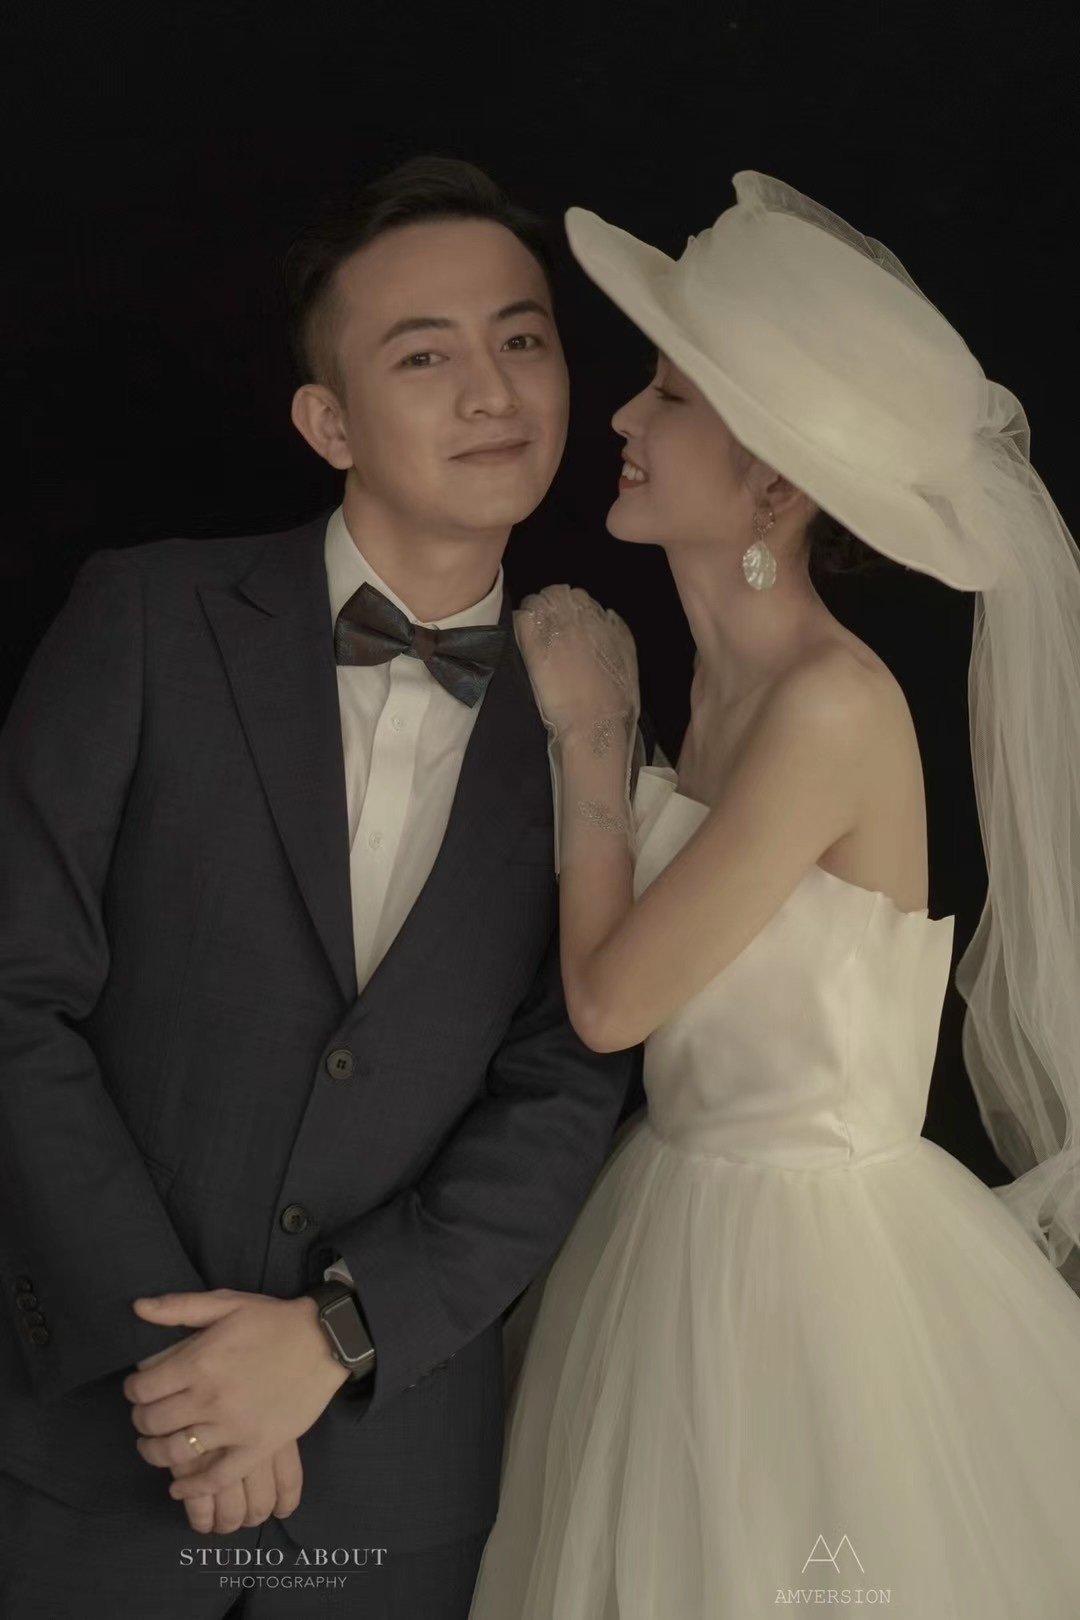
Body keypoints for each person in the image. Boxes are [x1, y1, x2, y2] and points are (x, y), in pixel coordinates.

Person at [0, 156, 651, 1619]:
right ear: (328, 420)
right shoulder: (148, 616)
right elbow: (14, 993)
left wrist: (334, 1337)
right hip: (97, 1444)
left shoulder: (600, 711)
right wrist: (177, 1369)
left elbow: (567, 1082)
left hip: (395, 1481)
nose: (492, 390)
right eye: (425, 355)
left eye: (523, 338)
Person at [467, 171, 1080, 1619]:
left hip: (810, 1284)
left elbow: (612, 1003)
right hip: (677, 1220)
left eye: (671, 397)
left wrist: (594, 745)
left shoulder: (828, 708)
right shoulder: (726, 685)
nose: (622, 418)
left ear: (778, 485)